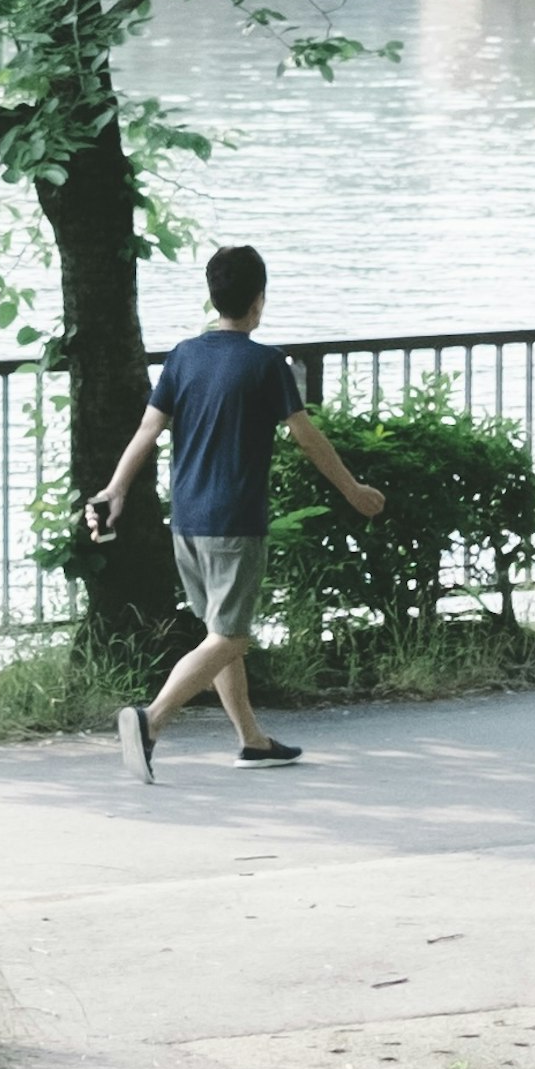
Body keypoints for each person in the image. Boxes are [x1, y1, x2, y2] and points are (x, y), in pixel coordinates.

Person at [83, 243, 386, 776]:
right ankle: (150, 721)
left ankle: (253, 740)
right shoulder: (266, 363)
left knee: (219, 635)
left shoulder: (183, 355)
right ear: (259, 302)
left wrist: (116, 490)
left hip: (187, 521)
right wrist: (352, 490)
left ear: (212, 295)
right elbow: (306, 436)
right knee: (232, 636)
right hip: (234, 522)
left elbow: (148, 431)